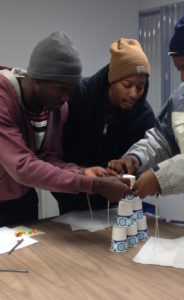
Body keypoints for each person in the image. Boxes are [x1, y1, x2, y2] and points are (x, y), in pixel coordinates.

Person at [108, 8, 184, 235]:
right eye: (179, 69)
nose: (182, 78)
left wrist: (163, 177)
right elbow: (162, 139)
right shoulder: (181, 97)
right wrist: (135, 159)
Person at [0, 30, 130, 226]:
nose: (66, 98)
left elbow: (49, 158)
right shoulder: (4, 100)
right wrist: (93, 185)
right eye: (61, 89)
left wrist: (81, 172)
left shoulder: (57, 108)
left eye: (70, 91)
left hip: (23, 200)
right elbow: (21, 166)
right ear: (37, 77)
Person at [53, 38, 155, 214]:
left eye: (140, 87)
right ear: (112, 79)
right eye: (127, 85)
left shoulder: (143, 115)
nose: (134, 94)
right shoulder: (76, 98)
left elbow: (145, 162)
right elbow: (55, 155)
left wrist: (123, 171)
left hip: (116, 207)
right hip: (72, 201)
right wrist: (85, 176)